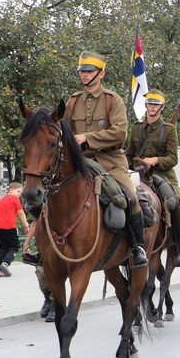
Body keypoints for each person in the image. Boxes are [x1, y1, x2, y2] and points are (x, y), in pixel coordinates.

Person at [63, 50, 147, 267]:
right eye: (82, 70)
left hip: (110, 162)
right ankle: (43, 249)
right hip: (80, 162)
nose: (84, 74)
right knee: (50, 196)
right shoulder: (72, 102)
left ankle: (138, 248)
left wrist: (86, 138)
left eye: (89, 70)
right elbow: (63, 131)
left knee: (130, 198)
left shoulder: (113, 100)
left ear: (101, 73)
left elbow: (120, 133)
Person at [126, 89, 180, 267]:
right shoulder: (136, 128)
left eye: (156, 104)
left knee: (173, 202)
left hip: (162, 175)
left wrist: (155, 160)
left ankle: (179, 248)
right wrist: (131, 164)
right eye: (150, 103)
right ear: (146, 105)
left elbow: (173, 158)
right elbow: (129, 154)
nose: (152, 107)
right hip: (138, 174)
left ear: (162, 107)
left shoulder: (169, 129)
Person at [0, 182, 30, 277]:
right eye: (18, 191)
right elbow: (21, 213)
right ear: (11, 190)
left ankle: (2, 270)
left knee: (2, 247)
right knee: (14, 246)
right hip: (9, 227)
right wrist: (26, 226)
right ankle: (5, 263)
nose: (19, 194)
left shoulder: (1, 200)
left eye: (20, 193)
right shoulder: (14, 199)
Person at [23, 225, 54, 322]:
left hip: (61, 242)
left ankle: (55, 304)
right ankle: (48, 299)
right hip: (44, 245)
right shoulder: (43, 209)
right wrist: (27, 243)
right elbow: (35, 222)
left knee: (55, 275)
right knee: (41, 272)